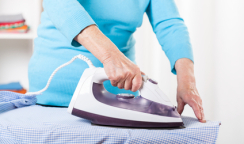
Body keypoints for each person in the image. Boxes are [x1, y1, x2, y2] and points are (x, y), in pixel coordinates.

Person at [28, 0, 206, 122]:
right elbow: (59, 3)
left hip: (119, 93)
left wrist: (186, 81)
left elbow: (169, 23)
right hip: (54, 87)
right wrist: (110, 56)